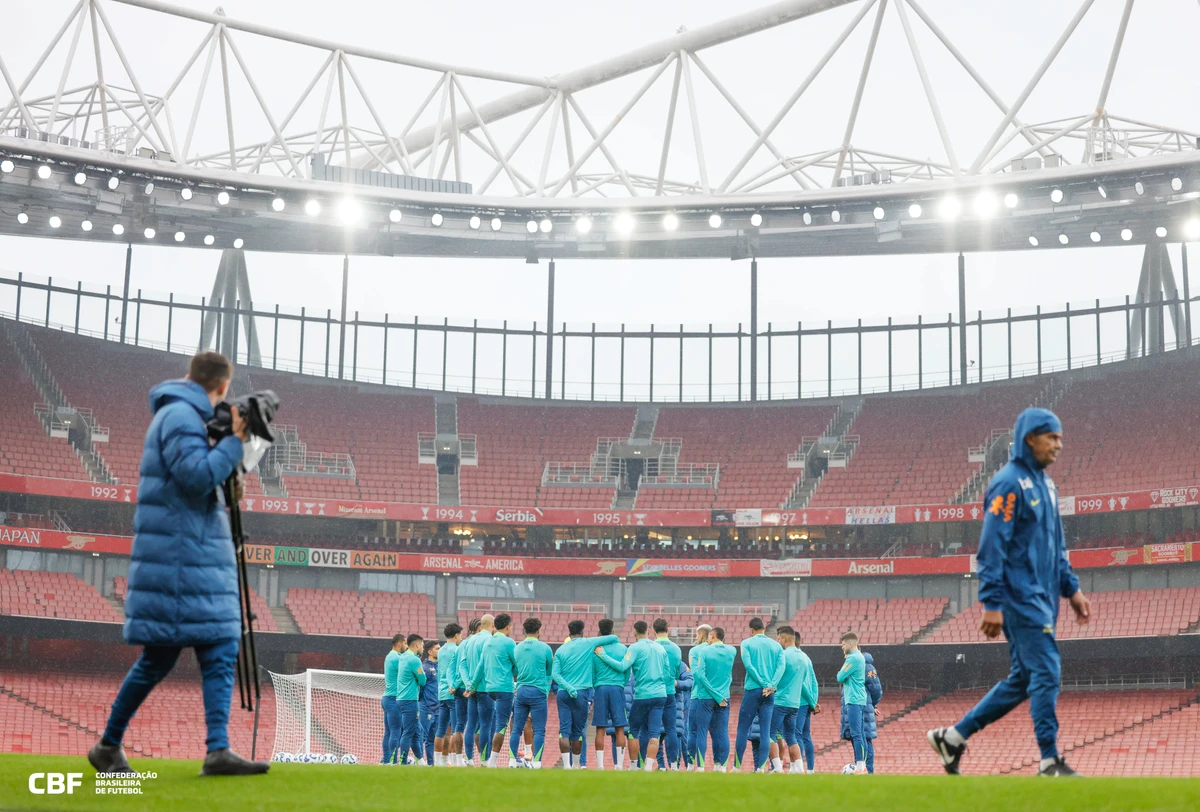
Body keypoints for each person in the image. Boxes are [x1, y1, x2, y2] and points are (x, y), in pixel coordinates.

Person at [89, 352, 268, 777]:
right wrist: (233, 443)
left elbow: (194, 486)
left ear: (192, 376)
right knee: (173, 654)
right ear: (222, 386)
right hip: (182, 559)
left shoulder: (181, 415)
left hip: (186, 555)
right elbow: (193, 475)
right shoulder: (182, 417)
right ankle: (113, 745)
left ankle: (213, 749)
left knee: (213, 646)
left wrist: (229, 482)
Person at [929, 407, 1091, 777]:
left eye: (1061, 438)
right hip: (1021, 598)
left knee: (1022, 680)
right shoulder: (1008, 483)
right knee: (1047, 670)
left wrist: (1073, 590)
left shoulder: (1048, 485)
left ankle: (953, 737)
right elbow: (991, 548)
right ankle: (1049, 760)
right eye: (1053, 437)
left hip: (1045, 599)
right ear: (1030, 438)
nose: (1059, 445)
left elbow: (1057, 547)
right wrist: (992, 601)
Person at [594, 620, 668, 771]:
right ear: (648, 631)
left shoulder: (634, 648)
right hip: (661, 694)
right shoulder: (660, 649)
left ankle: (634, 766)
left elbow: (622, 666)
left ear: (634, 632)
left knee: (633, 730)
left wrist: (603, 655)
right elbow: (667, 673)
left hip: (643, 694)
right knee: (655, 732)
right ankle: (648, 767)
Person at [551, 619, 618, 769]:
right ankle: (576, 765)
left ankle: (567, 767)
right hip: (581, 693)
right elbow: (614, 638)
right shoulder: (588, 643)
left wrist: (568, 687)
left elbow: (555, 674)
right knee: (578, 732)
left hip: (563, 694)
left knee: (564, 730)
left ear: (569, 633)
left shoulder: (561, 650)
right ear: (582, 632)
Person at [734, 617, 784, 772]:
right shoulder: (776, 646)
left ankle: (736, 768)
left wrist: (763, 683)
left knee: (743, 729)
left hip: (753, 689)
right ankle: (761, 768)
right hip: (769, 693)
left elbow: (749, 666)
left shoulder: (746, 643)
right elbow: (781, 667)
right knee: (765, 732)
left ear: (751, 630)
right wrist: (771, 685)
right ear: (764, 628)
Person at [769, 625, 819, 774]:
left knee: (769, 733)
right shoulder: (804, 658)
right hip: (795, 704)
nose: (777, 641)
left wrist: (770, 686)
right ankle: (800, 769)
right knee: (792, 736)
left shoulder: (782, 656)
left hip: (780, 701)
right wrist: (813, 701)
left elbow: (775, 677)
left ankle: (777, 768)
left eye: (778, 638)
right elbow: (807, 682)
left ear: (784, 639)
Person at [470, 613, 517, 767]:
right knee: (501, 725)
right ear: (508, 626)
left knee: (485, 725)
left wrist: (471, 686)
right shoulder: (509, 642)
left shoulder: (488, 642)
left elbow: (480, 667)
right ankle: (492, 762)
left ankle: (483, 759)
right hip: (504, 688)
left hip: (489, 689)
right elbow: (517, 665)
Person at [688, 626, 735, 772]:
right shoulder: (732, 651)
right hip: (724, 697)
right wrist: (721, 695)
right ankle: (721, 767)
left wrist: (714, 694)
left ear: (712, 636)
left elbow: (700, 676)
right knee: (722, 732)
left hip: (705, 696)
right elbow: (729, 675)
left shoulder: (703, 651)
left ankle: (700, 767)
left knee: (700, 731)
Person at [510, 617, 553, 768]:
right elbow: (549, 670)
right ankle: (537, 762)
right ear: (538, 631)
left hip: (521, 690)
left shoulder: (517, 647)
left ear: (525, 630)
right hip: (538, 691)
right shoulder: (545, 648)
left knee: (516, 729)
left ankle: (511, 761)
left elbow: (515, 668)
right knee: (539, 730)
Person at [591, 618, 628, 770]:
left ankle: (600, 766)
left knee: (600, 728)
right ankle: (618, 765)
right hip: (617, 689)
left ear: (599, 632)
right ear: (613, 631)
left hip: (600, 689)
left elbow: (592, 675)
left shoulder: (595, 650)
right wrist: (620, 684)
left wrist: (597, 686)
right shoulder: (623, 649)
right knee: (620, 728)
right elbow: (627, 673)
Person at [458, 615, 494, 765]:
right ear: (492, 625)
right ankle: (485, 761)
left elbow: (462, 665)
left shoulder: (469, 641)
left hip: (472, 691)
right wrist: (473, 684)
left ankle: (469, 759)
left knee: (471, 724)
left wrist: (468, 684)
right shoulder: (489, 640)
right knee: (486, 725)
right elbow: (483, 664)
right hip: (485, 688)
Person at [652, 619, 684, 770]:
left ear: (654, 631)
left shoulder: (651, 646)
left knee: (653, 730)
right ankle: (673, 765)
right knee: (671, 730)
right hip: (670, 692)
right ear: (668, 630)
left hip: (653, 692)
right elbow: (677, 671)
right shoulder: (676, 648)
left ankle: (654, 764)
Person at [837, 631, 868, 775]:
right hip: (859, 699)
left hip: (854, 699)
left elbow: (839, 676)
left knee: (856, 734)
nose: (842, 647)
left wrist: (845, 674)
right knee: (860, 734)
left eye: (843, 644)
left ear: (850, 644)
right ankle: (862, 766)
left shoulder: (853, 659)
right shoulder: (859, 657)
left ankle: (860, 767)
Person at [452, 618, 481, 764]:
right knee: (478, 724)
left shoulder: (461, 645)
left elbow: (454, 667)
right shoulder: (477, 643)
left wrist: (453, 685)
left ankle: (459, 759)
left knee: (460, 725)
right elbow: (474, 667)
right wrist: (470, 685)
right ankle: (482, 759)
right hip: (471, 687)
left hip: (458, 689)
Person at [396, 633, 427, 766]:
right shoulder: (414, 660)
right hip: (410, 700)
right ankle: (402, 762)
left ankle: (420, 761)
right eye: (422, 645)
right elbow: (423, 680)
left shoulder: (403, 657)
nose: (423, 648)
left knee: (415, 732)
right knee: (408, 732)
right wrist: (419, 677)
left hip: (401, 698)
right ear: (417, 645)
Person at [684, 624, 711, 771]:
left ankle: (690, 765)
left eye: (696, 634)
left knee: (694, 731)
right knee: (710, 732)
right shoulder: (714, 651)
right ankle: (709, 767)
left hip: (697, 695)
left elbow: (695, 674)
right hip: (715, 697)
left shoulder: (694, 651)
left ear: (701, 634)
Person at [658, 660, 693, 771]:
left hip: (675, 706)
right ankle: (661, 767)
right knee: (655, 735)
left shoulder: (679, 664)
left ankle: (675, 767)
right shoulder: (654, 661)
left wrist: (676, 683)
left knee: (675, 735)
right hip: (656, 704)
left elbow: (690, 681)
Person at [437, 623, 463, 766]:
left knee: (441, 730)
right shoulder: (457, 650)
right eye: (460, 635)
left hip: (442, 692)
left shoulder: (440, 651)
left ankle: (439, 761)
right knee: (455, 728)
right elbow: (458, 671)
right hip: (453, 692)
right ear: (456, 635)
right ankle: (455, 761)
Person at [381, 633, 406, 764]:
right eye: (405, 643)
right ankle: (393, 761)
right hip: (393, 698)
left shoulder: (390, 656)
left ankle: (386, 760)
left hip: (387, 697)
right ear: (399, 643)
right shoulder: (396, 658)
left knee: (389, 732)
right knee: (396, 731)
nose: (407, 646)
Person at [419, 640, 441, 766]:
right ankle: (420, 761)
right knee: (422, 737)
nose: (440, 650)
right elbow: (421, 688)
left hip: (438, 709)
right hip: (427, 708)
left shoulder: (441, 666)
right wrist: (423, 703)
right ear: (430, 651)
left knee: (432, 739)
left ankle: (431, 764)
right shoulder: (425, 668)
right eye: (437, 648)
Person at [864, 652, 882, 774]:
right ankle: (864, 769)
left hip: (863, 707)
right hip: (860, 707)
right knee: (862, 738)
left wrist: (872, 704)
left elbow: (876, 690)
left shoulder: (867, 667)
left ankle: (867, 771)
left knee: (865, 739)